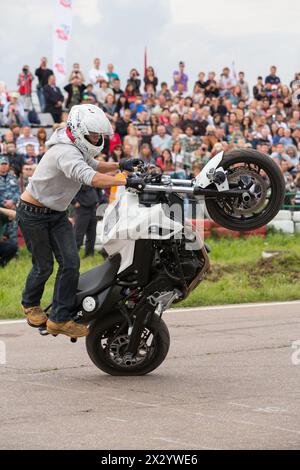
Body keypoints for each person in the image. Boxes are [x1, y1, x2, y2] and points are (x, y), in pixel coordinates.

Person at [17, 104, 144, 338]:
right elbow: (90, 177)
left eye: (98, 135)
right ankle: (30, 303)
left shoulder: (77, 145)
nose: (96, 139)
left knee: (71, 263)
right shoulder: (64, 152)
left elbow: (94, 165)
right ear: (77, 130)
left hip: (56, 214)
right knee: (44, 266)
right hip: (33, 213)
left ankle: (60, 319)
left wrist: (121, 165)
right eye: (92, 135)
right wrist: (126, 181)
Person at [73, 185, 100, 257]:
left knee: (92, 233)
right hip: (82, 208)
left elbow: (98, 187)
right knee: (78, 234)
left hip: (93, 208)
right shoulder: (77, 176)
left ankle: (89, 254)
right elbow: (68, 189)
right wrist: (73, 202)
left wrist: (98, 199)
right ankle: (73, 255)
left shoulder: (92, 176)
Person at [0, 156, 20, 246]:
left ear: (8, 165)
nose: (4, 166)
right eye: (2, 164)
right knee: (2, 231)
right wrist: (4, 203)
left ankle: (15, 253)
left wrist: (13, 201)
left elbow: (18, 192)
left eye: (5, 164)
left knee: (13, 231)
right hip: (1, 210)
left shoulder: (13, 178)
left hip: (12, 208)